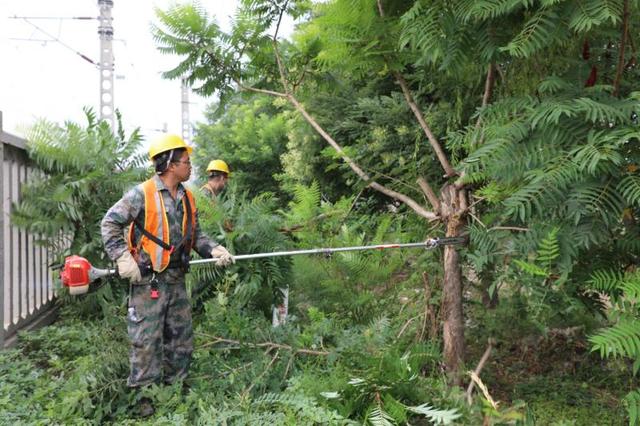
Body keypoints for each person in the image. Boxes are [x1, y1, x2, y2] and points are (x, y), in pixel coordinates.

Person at [100, 134, 234, 417]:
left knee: (181, 342)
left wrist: (215, 249)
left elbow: (194, 235)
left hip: (176, 281)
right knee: (145, 344)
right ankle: (145, 406)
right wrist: (122, 257)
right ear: (170, 164)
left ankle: (176, 397)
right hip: (147, 283)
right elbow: (110, 223)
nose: (191, 166)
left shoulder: (187, 197)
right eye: (186, 161)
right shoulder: (142, 194)